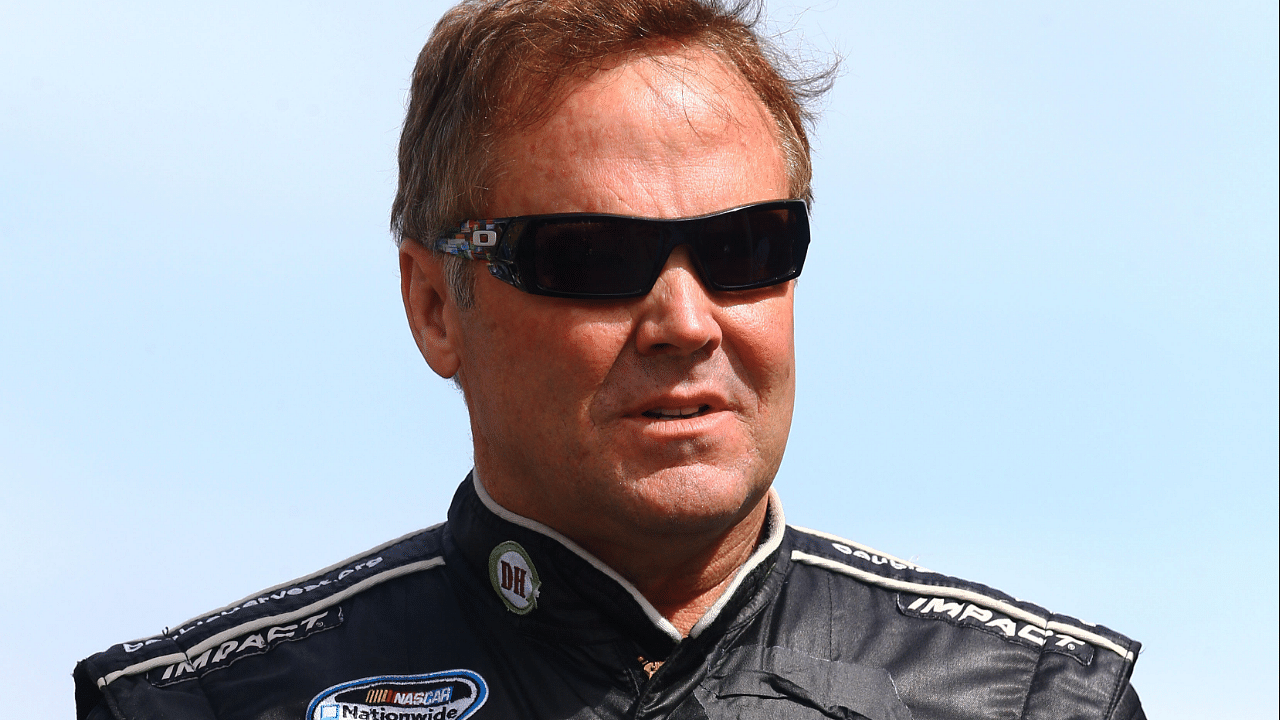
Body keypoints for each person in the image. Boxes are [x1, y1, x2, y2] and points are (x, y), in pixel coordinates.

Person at [74, 1, 1146, 718]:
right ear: (432, 305)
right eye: (591, 257)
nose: (686, 320)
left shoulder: (1032, 701)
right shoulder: (198, 706)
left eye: (744, 247)